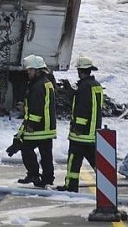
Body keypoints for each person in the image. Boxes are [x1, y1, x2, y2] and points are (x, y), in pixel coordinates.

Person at [57, 56, 103, 192]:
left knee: (74, 161)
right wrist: (71, 92)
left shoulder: (84, 87)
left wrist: (78, 127)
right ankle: (107, 183)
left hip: (80, 134)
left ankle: (71, 186)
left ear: (81, 71)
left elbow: (82, 108)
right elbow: (93, 106)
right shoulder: (96, 86)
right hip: (93, 132)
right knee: (96, 162)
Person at [17, 54, 57, 188]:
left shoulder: (37, 86)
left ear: (37, 70)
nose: (28, 72)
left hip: (38, 127)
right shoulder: (46, 83)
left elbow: (36, 108)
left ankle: (33, 174)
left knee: (26, 149)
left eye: (30, 70)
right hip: (47, 127)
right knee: (46, 154)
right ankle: (47, 178)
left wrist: (31, 125)